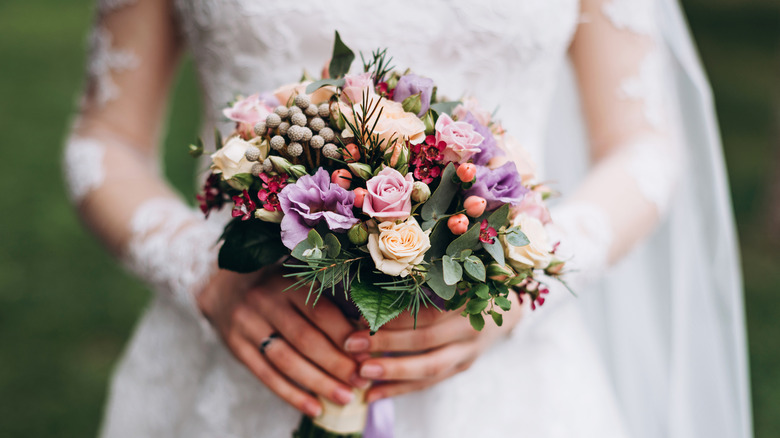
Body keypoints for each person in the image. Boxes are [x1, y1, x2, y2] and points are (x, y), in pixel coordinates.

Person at [63, 0, 752, 437]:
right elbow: (106, 140)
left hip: (499, 380)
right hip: (244, 351)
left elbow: (643, 145)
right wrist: (201, 275)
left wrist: (515, 289)